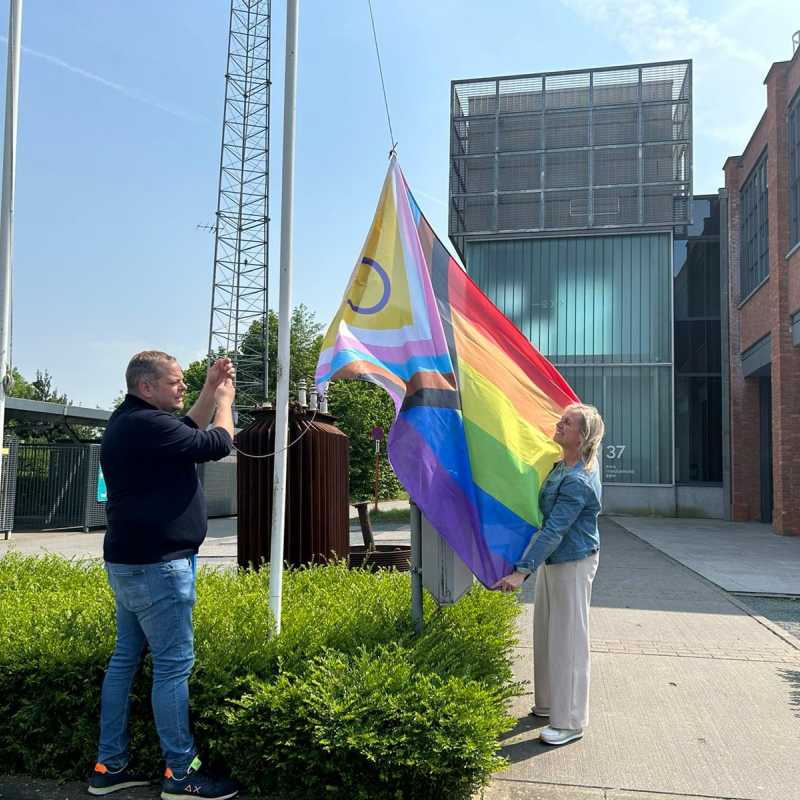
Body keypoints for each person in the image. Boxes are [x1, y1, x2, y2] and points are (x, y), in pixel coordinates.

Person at [88, 351, 239, 800]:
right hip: (159, 567)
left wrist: (210, 388)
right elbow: (215, 443)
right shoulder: (145, 425)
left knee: (125, 661)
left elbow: (188, 430)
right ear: (146, 386)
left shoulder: (132, 422)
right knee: (173, 667)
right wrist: (226, 401)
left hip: (130, 563)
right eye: (174, 382)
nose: (181, 386)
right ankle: (181, 772)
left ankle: (108, 765)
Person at [493, 402, 605, 747]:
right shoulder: (561, 466)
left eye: (566, 423)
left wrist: (521, 572)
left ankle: (570, 721)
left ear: (582, 437)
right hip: (555, 561)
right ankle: (548, 705)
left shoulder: (577, 480)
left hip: (573, 561)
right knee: (546, 631)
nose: (558, 424)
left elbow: (554, 529)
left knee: (569, 640)